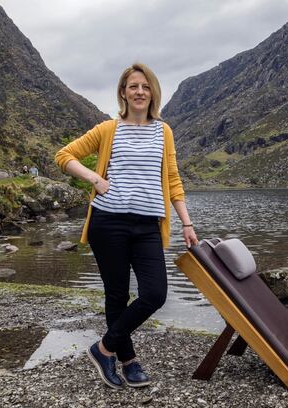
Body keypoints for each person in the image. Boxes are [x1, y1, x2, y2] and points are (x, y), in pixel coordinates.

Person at [54, 62, 199, 389]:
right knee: (116, 296)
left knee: (155, 294)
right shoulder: (108, 129)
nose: (139, 92)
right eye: (133, 86)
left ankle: (102, 349)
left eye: (145, 87)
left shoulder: (164, 131)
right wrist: (93, 177)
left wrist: (187, 223)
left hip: (148, 226)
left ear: (153, 93)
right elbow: (65, 156)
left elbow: (173, 179)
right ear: (123, 92)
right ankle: (129, 361)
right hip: (108, 223)